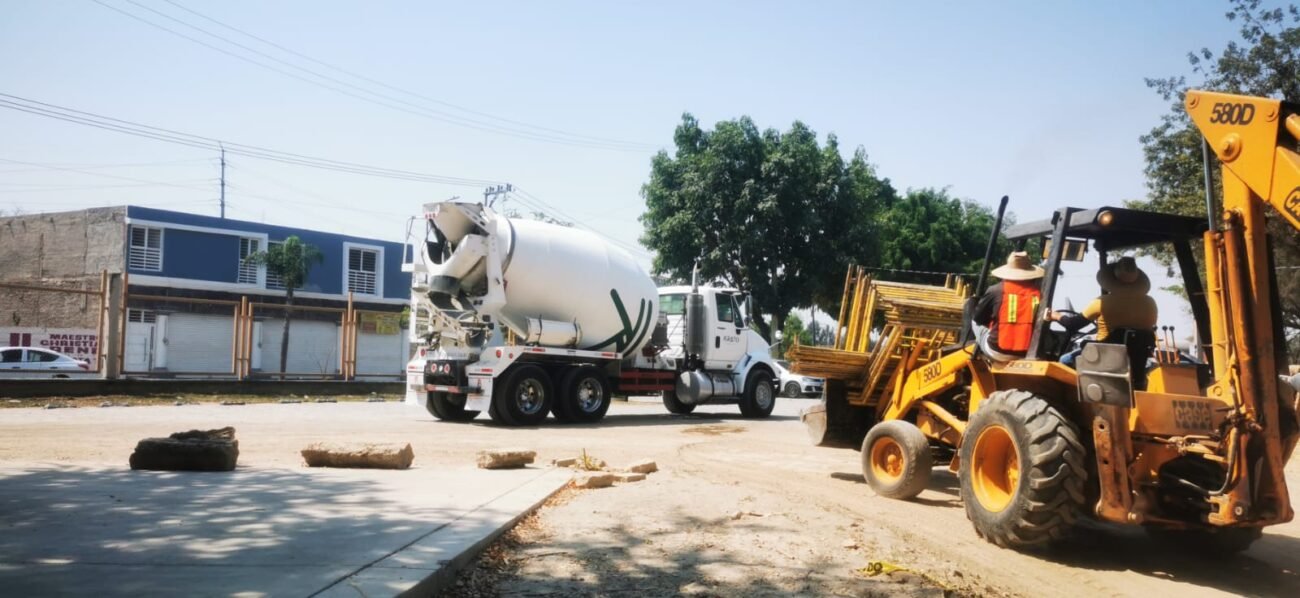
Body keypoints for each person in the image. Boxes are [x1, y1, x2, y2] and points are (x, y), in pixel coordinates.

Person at [1050, 256, 1158, 387]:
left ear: (1111, 279)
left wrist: (1055, 316)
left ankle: (1073, 397)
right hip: (1137, 362)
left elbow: (1073, 324)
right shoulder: (1150, 303)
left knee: (1064, 360)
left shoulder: (1102, 302)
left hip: (1104, 357)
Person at [972, 251, 1045, 359]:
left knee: (974, 321)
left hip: (997, 350)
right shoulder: (1039, 294)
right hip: (1027, 352)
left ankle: (976, 354)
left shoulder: (995, 290)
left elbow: (979, 318)